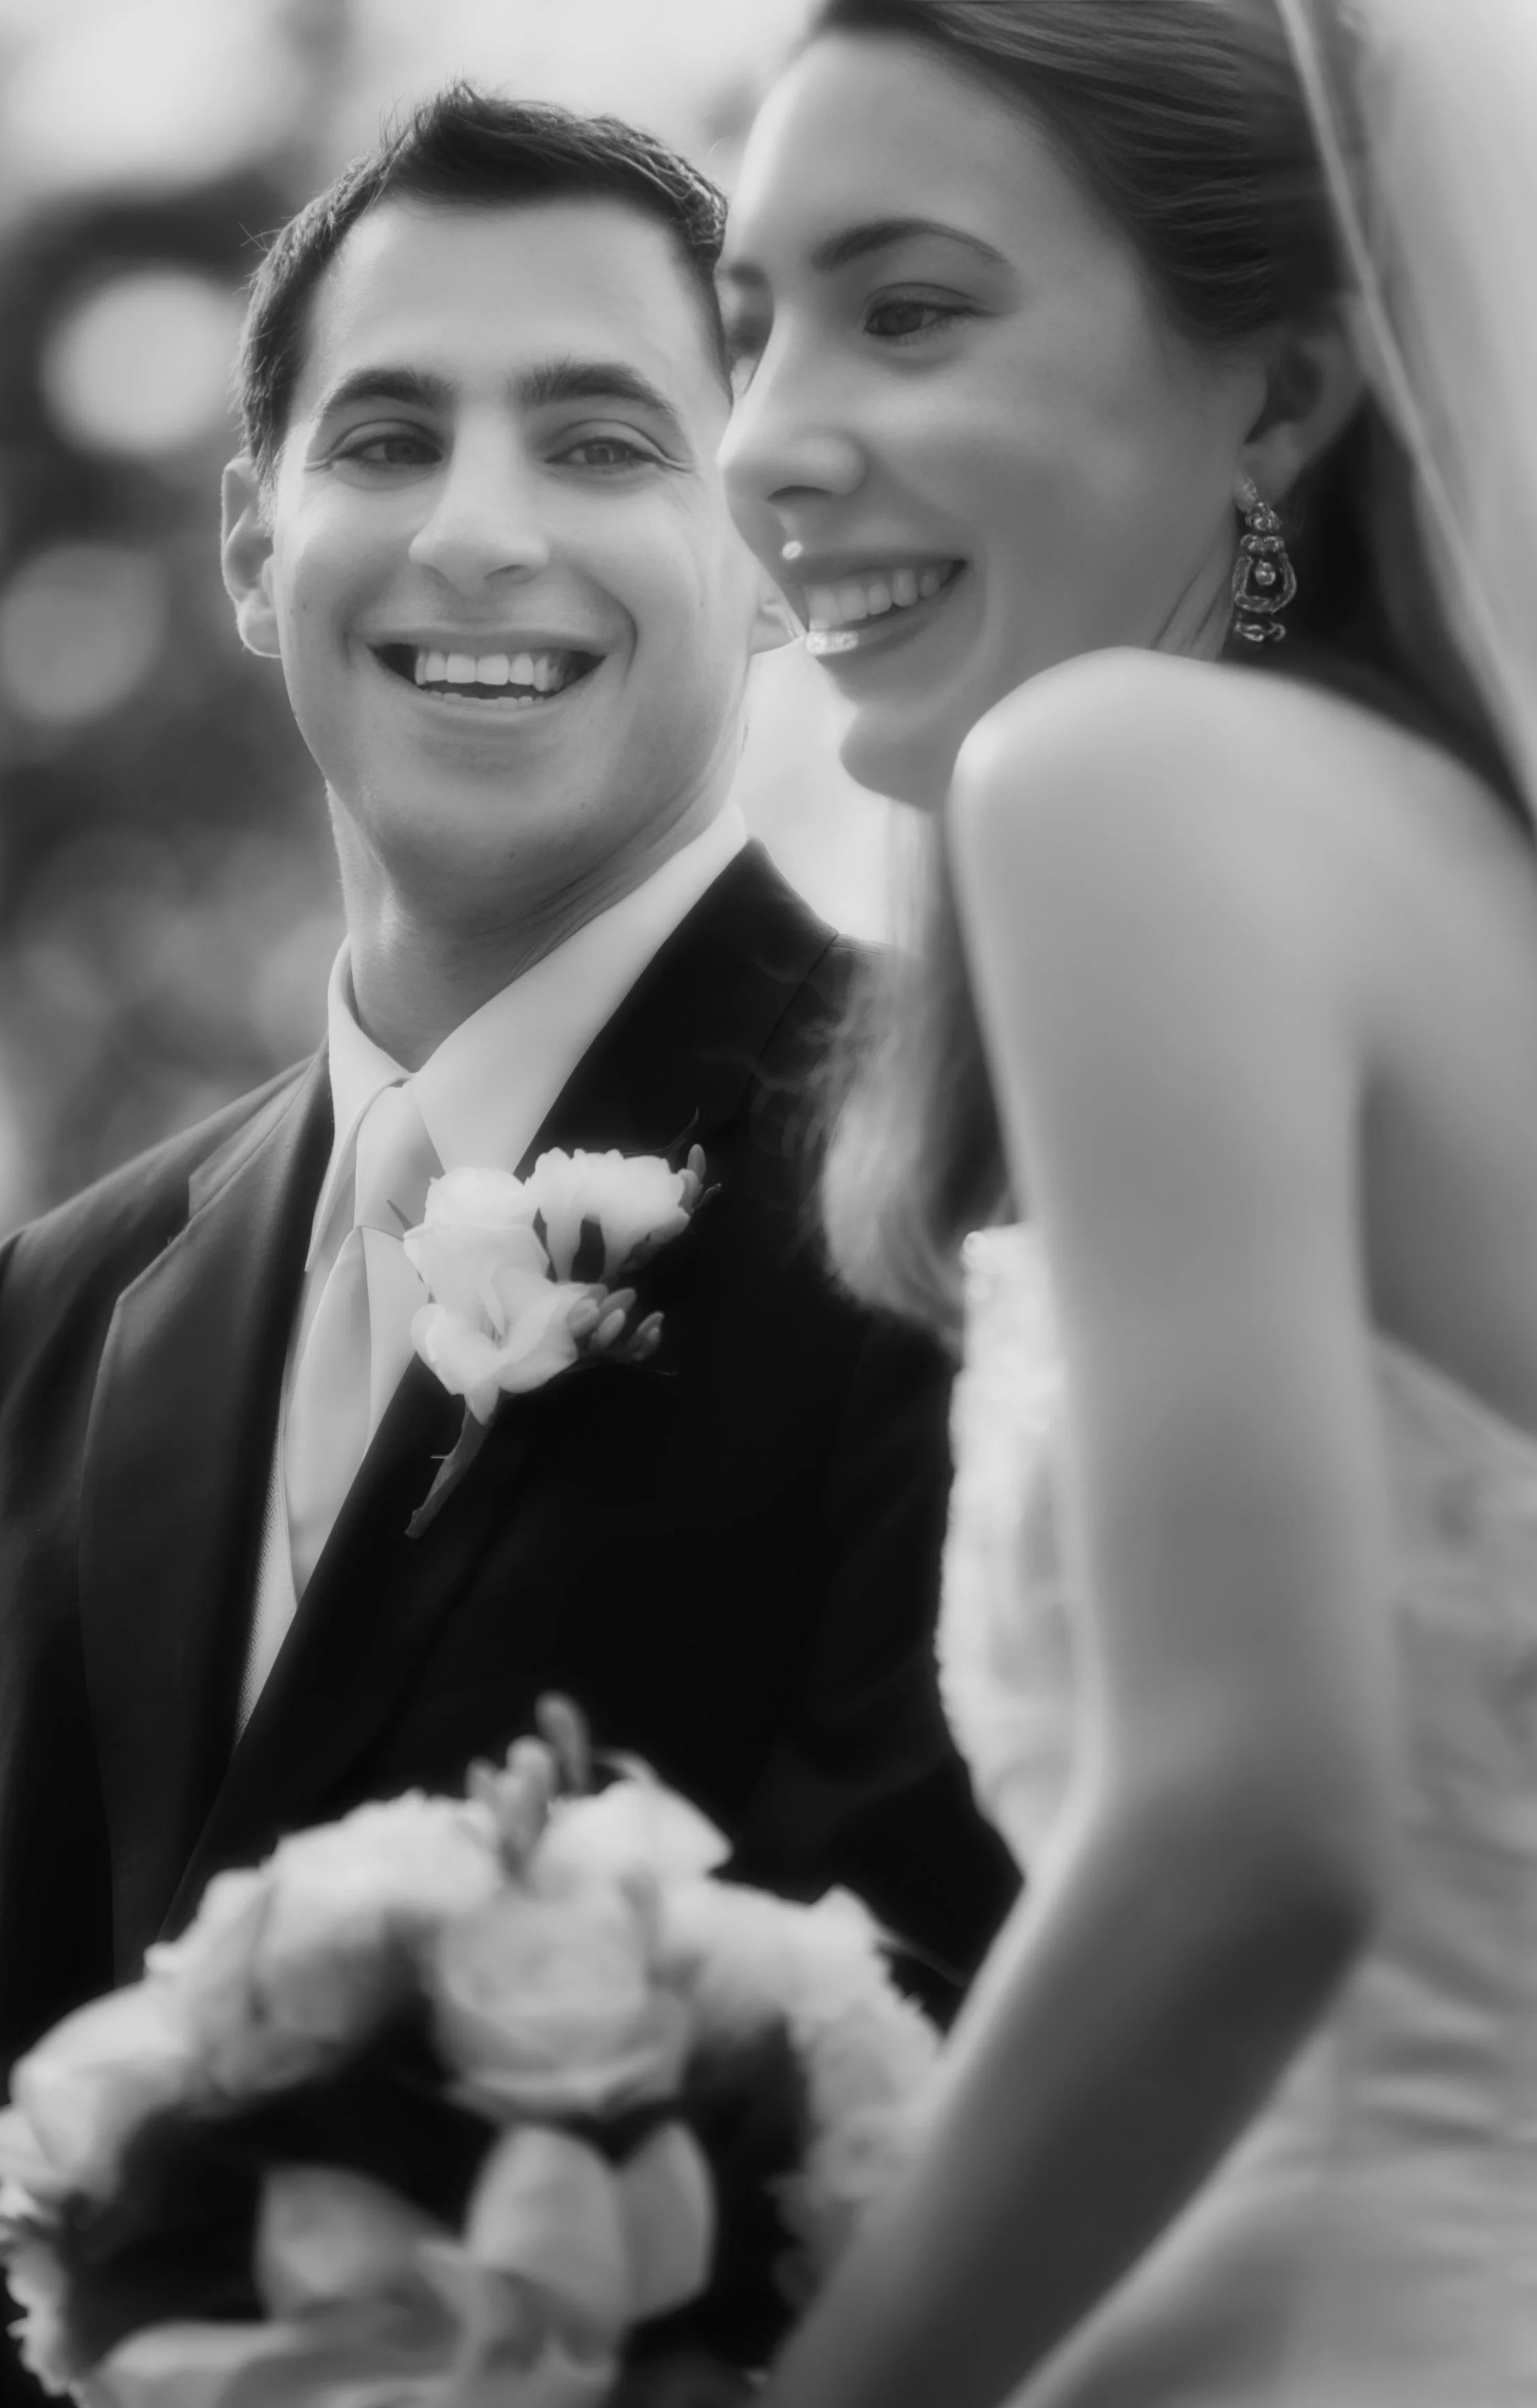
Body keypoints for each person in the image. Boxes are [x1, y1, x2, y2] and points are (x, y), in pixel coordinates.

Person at [0, 85, 1015, 2397]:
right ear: (253, 545)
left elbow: (958, 2069)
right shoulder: (57, 1309)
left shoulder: (967, 1178)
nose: (482, 536)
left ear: (767, 545)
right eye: (390, 436)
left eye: (608, 443)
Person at [716, 0, 1537, 2401]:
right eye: (748, 327)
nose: (764, 446)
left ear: (1279, 399)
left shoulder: (1117, 773)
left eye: (915, 306)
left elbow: (1247, 1842)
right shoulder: (1468, 891)